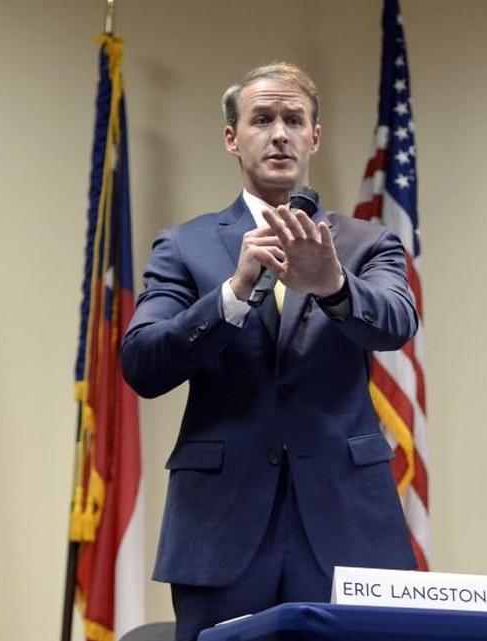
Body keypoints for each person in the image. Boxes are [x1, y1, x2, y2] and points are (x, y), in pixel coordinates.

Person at [120, 62, 418, 641]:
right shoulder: (185, 245)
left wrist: (333, 284)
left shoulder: (365, 242)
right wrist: (232, 294)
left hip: (345, 520)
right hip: (220, 524)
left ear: (315, 136)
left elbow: (396, 324)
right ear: (233, 138)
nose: (279, 133)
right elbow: (143, 363)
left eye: (293, 119)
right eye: (262, 119)